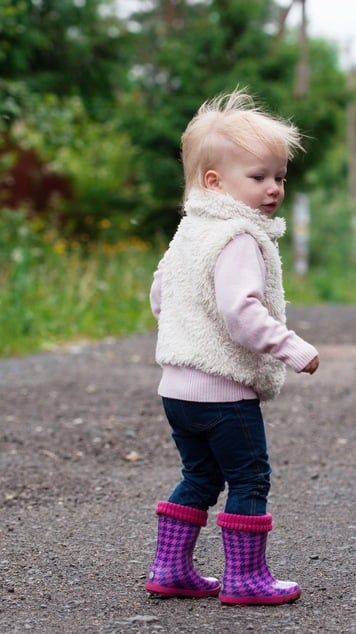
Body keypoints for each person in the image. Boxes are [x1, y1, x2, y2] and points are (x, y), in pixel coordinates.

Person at [144, 89, 319, 606]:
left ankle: (170, 568)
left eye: (279, 177)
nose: (273, 189)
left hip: (177, 387)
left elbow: (161, 294)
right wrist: (292, 348)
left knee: (199, 475)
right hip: (222, 390)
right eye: (259, 177)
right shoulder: (239, 237)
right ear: (214, 182)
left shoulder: (191, 230)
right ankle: (245, 578)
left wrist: (184, 333)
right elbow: (241, 313)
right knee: (249, 477)